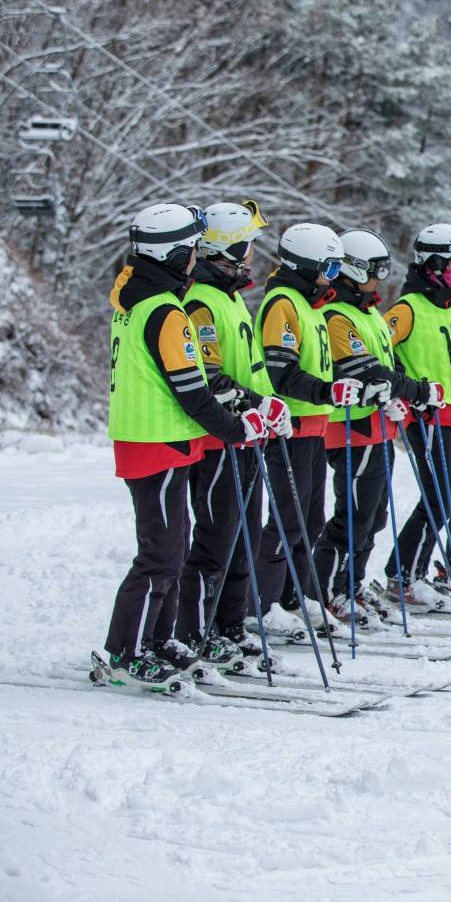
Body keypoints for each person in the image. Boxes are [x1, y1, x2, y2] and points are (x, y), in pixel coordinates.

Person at [102, 203, 281, 690]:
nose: (196, 257)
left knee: (175, 548)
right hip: (155, 439)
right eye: (192, 249)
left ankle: (158, 640)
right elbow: (193, 390)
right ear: (175, 254)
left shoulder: (145, 301)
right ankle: (127, 651)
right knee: (160, 554)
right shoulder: (163, 310)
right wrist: (238, 428)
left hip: (164, 441)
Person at [170, 200, 280, 672]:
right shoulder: (201, 301)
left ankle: (229, 626)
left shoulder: (231, 296)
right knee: (215, 540)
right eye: (247, 244)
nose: (253, 254)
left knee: (244, 538)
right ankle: (194, 633)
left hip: (247, 437)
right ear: (224, 247)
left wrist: (267, 407)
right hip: (219, 440)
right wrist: (253, 404)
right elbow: (208, 374)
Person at [314, 229, 437, 619]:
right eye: (373, 271)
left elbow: (388, 364)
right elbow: (364, 369)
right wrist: (415, 390)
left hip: (377, 425)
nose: (379, 279)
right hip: (350, 428)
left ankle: (352, 583)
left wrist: (398, 395)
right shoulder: (336, 316)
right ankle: (328, 591)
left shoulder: (368, 313)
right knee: (353, 516)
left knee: (375, 516)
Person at [253, 223, 364, 635]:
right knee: (287, 519)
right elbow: (281, 371)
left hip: (314, 426)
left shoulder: (311, 305)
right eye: (330, 269)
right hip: (292, 426)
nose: (334, 278)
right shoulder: (283, 303)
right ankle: (261, 604)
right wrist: (326, 390)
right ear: (306, 266)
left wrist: (339, 387)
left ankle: (293, 596)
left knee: (311, 519)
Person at [384, 224, 451, 592]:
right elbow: (381, 350)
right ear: (435, 265)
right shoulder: (408, 308)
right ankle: (403, 575)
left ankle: (411, 572)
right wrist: (410, 390)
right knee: (439, 499)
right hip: (429, 417)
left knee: (450, 499)